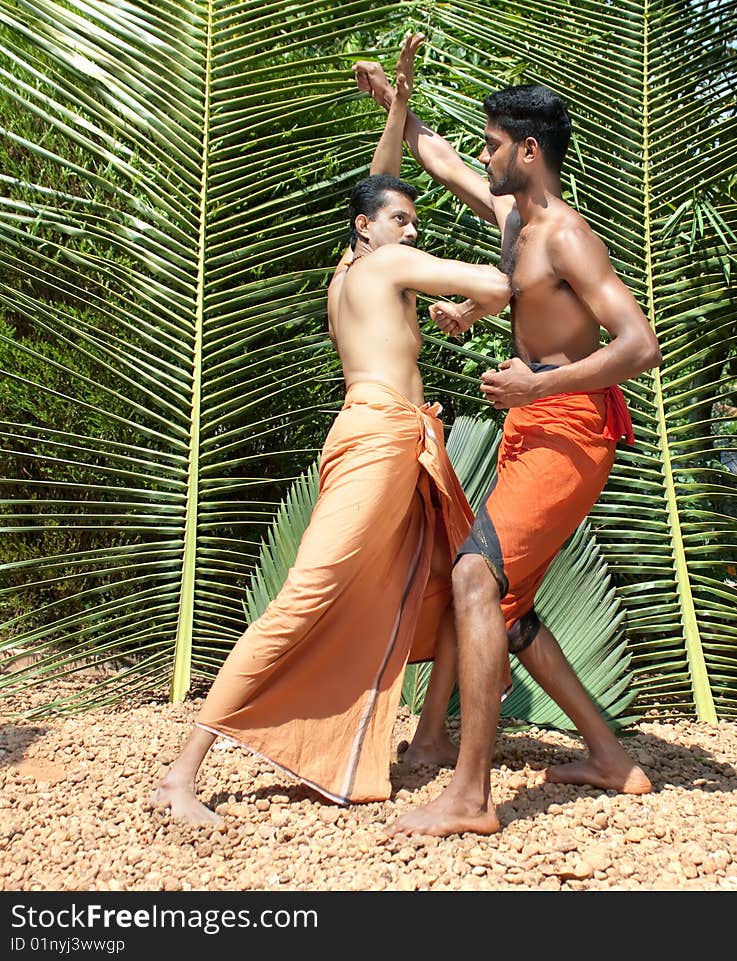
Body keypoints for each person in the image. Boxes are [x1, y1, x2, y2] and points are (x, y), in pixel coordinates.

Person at [148, 36, 510, 825]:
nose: (413, 232)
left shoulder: (348, 270)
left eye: (414, 224)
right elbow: (497, 278)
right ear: (367, 229)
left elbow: (381, 188)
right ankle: (182, 772)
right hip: (382, 438)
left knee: (458, 581)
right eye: (403, 224)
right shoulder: (386, 266)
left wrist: (400, 107)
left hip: (392, 438)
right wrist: (482, 298)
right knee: (303, 597)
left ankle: (430, 737)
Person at [354, 60, 661, 837]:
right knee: (505, 605)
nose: (482, 156)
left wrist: (536, 389)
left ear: (528, 151)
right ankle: (608, 753)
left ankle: (470, 797)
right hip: (538, 429)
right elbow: (443, 160)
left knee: (473, 575)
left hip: (570, 429)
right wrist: (398, 108)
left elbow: (639, 344)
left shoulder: (567, 236)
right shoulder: (514, 220)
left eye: (495, 145)